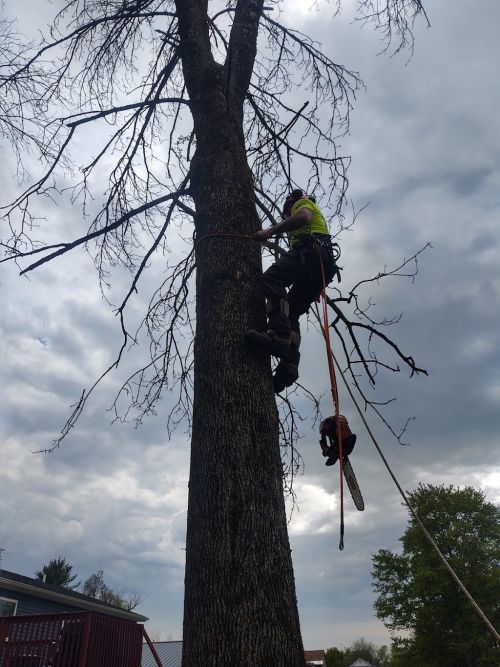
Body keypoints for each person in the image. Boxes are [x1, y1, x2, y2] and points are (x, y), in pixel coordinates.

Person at [246, 189, 339, 393]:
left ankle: (279, 336)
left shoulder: (301, 205)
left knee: (271, 279)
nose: (287, 217)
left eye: (287, 213)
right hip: (319, 264)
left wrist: (270, 231)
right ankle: (289, 366)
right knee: (293, 311)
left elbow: (303, 217)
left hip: (310, 253)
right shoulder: (313, 219)